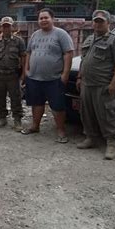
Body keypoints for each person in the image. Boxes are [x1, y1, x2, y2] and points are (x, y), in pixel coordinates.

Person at [76, 10, 115, 160]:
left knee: (107, 114)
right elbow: (84, 60)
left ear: (108, 23)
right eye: (95, 21)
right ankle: (90, 138)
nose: (97, 24)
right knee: (87, 113)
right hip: (87, 83)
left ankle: (111, 143)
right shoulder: (89, 38)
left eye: (101, 21)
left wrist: (114, 82)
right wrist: (80, 77)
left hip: (103, 84)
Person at [22, 8, 74, 143]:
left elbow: (68, 53)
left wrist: (65, 74)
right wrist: (26, 70)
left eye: (46, 17)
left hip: (54, 78)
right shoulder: (34, 35)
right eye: (41, 18)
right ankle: (35, 126)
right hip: (34, 77)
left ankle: (61, 131)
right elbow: (28, 52)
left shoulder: (61, 34)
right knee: (36, 103)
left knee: (57, 106)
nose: (43, 20)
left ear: (53, 19)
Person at [0, 17, 26, 131]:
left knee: (16, 97)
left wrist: (24, 74)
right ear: (1, 27)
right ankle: (2, 117)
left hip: (13, 75)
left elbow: (23, 57)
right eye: (4, 26)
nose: (6, 28)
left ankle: (17, 119)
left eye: (8, 26)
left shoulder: (19, 41)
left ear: (12, 27)